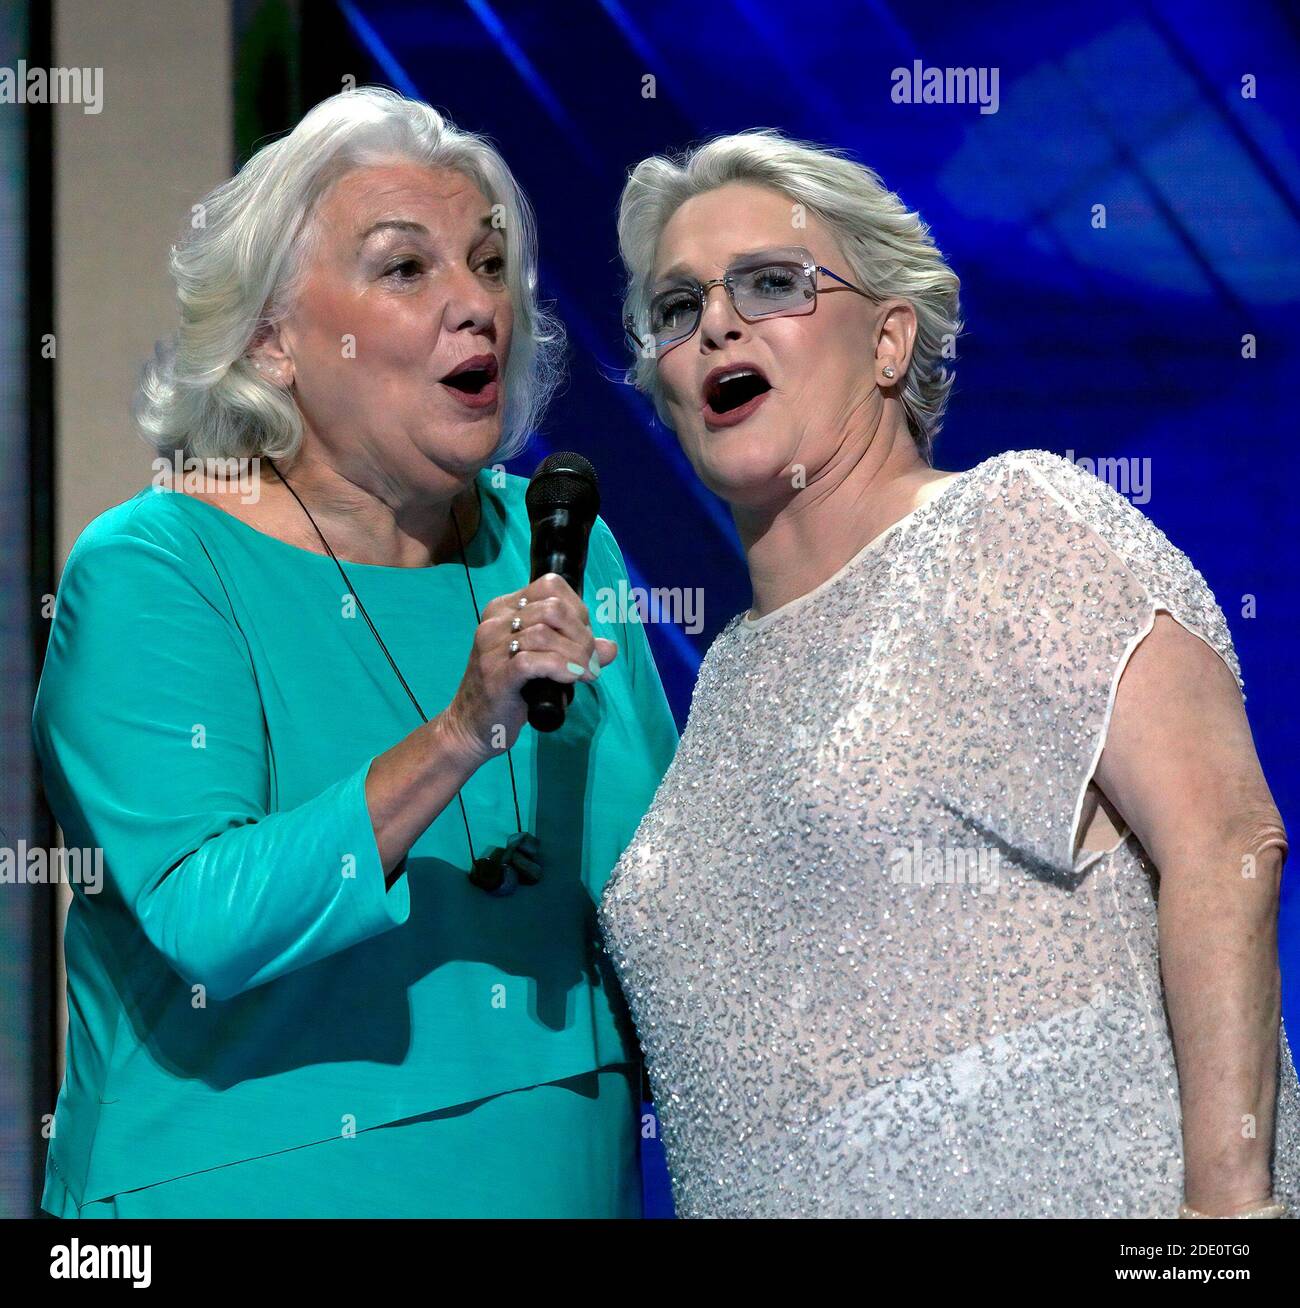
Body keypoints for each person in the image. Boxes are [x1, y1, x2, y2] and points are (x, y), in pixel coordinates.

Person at [598, 128, 1299, 1218]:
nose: (716, 323)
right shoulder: (724, 686)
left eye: (769, 283)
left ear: (888, 342)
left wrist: (1224, 1224)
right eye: (678, 308)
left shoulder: (1009, 524)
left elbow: (1226, 843)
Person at [34, 87, 677, 1218]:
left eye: (487, 262)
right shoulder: (157, 567)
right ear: (275, 340)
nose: (475, 305)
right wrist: (454, 737)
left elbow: (661, 900)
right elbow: (205, 918)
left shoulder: (563, 545)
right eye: (405, 268)